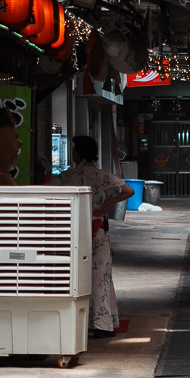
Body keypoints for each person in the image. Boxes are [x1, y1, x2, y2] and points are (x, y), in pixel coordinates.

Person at [61, 132, 130, 336]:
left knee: (74, 276)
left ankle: (77, 321)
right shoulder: (102, 175)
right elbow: (128, 191)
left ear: (78, 153)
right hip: (98, 230)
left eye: (74, 150)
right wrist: (105, 205)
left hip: (73, 231)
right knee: (101, 275)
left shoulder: (66, 176)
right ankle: (103, 324)